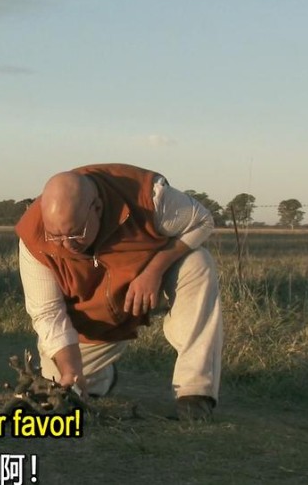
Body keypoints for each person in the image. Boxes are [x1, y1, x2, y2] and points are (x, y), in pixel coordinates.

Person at [15, 164, 223, 421]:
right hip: (92, 318)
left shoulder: (150, 198)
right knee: (59, 385)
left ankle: (194, 396)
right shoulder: (33, 238)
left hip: (148, 286)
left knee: (198, 262)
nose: (67, 245)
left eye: (76, 233)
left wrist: (154, 270)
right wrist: (71, 369)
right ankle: (102, 377)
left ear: (97, 208)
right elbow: (47, 313)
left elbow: (202, 221)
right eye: (56, 236)